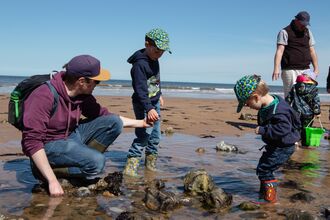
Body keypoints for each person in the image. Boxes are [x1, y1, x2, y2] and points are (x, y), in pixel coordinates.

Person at [22, 54, 151, 196]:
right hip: (49, 144)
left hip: (72, 135)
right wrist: (52, 181)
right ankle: (44, 172)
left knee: (114, 122)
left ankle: (84, 161)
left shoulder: (82, 95)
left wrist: (141, 123)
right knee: (97, 163)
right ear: (82, 81)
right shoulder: (43, 95)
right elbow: (31, 141)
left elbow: (104, 115)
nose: (97, 85)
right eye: (96, 82)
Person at [234, 74, 301, 203]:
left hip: (283, 146)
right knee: (263, 167)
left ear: (256, 97)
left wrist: (263, 130)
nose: (247, 106)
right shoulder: (270, 103)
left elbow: (283, 129)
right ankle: (264, 192)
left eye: (247, 103)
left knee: (264, 169)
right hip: (275, 144)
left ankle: (270, 200)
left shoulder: (279, 110)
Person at [123, 28, 171, 177]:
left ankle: (150, 166)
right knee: (144, 134)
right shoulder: (139, 65)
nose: (160, 55)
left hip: (154, 103)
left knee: (156, 136)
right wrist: (149, 108)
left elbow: (156, 80)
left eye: (162, 52)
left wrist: (159, 94)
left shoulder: (155, 59)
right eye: (157, 51)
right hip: (143, 104)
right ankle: (130, 168)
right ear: (147, 44)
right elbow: (140, 89)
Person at [272, 11, 319, 98]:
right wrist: (276, 68)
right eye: (302, 23)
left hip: (306, 69)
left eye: (306, 24)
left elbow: (312, 50)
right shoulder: (285, 32)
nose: (304, 26)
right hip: (290, 70)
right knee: (291, 96)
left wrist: (316, 68)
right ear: (296, 20)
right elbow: (280, 51)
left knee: (306, 96)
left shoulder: (307, 32)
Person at [285, 69, 321, 147]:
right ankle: (305, 144)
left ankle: (295, 142)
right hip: (308, 113)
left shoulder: (295, 86)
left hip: (295, 111)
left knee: (295, 127)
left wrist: (286, 107)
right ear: (311, 79)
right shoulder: (313, 88)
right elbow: (315, 101)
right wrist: (317, 112)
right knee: (306, 128)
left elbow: (289, 98)